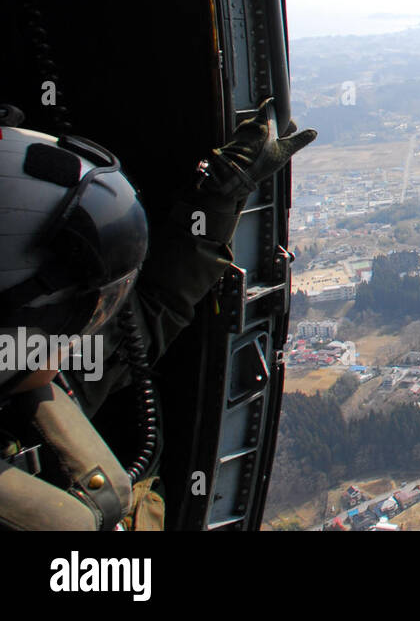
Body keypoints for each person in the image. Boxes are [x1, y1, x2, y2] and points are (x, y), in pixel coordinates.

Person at [0, 99, 315, 529]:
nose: (83, 334)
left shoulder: (28, 365)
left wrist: (218, 198)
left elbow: (152, 310)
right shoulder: (31, 368)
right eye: (78, 316)